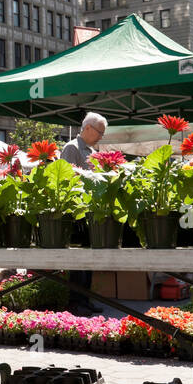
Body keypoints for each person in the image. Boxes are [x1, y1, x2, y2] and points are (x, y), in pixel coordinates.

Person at [60, 113, 109, 316]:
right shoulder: (71, 148)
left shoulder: (90, 150)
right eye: (99, 132)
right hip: (76, 212)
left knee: (88, 259)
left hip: (90, 211)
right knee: (78, 260)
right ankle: (75, 302)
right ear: (87, 128)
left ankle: (85, 299)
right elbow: (66, 178)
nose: (100, 137)